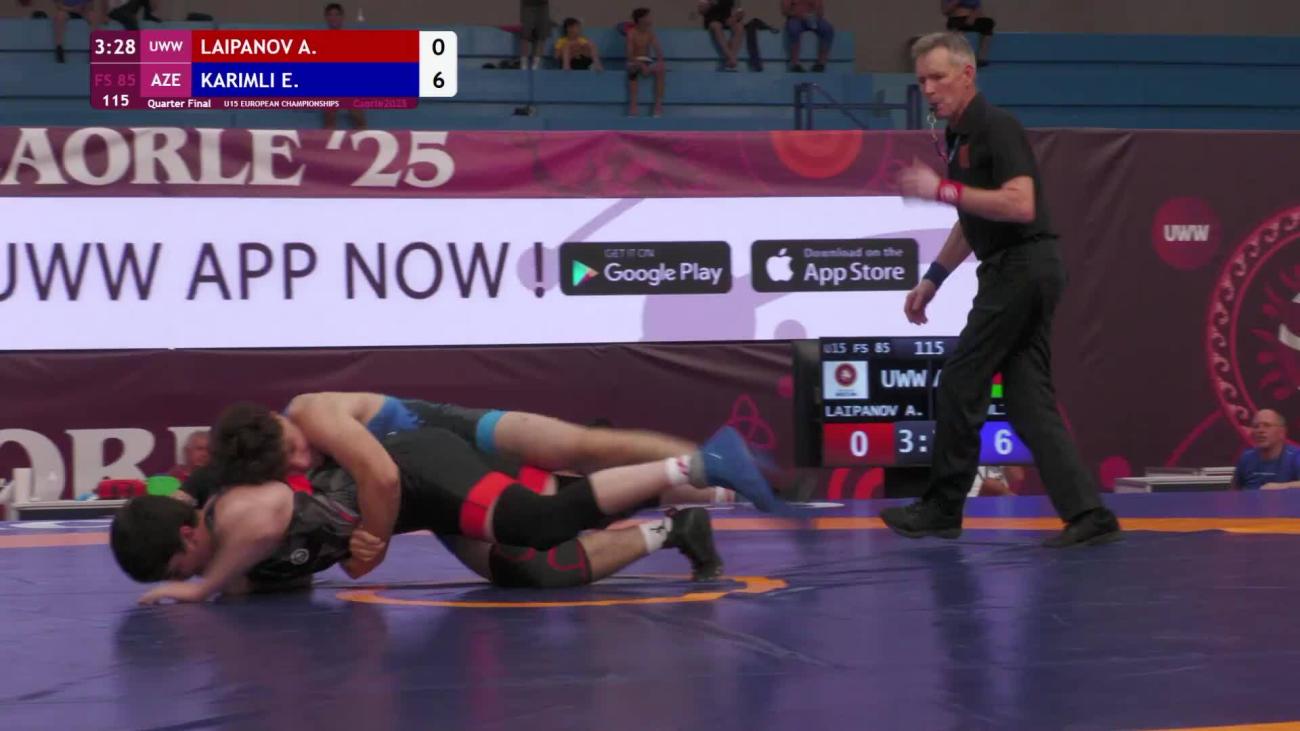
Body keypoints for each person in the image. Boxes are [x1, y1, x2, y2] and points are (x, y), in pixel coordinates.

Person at [885, 32, 1121, 548]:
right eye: (921, 80)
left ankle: (943, 508)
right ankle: (1089, 515)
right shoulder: (960, 137)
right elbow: (973, 219)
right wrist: (933, 278)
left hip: (1021, 267)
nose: (928, 89)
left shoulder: (996, 126)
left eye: (938, 77)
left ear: (967, 74)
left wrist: (940, 189)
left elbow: (1019, 204)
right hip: (1021, 268)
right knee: (1027, 400)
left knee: (960, 379)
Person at [111, 423, 735, 604]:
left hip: (412, 471)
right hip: (416, 508)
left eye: (181, 567)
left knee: (540, 521)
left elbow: (268, 523)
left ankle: (699, 474)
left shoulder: (234, 513)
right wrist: (230, 585)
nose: (190, 576)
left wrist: (205, 589)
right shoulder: (230, 552)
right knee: (532, 571)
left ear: (188, 532)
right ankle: (675, 527)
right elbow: (288, 564)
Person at [1230, 409, 1300, 490]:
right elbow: (1233, 492)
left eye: (1267, 425)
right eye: (1256, 426)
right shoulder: (1246, 458)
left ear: (1282, 432)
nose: (1260, 430)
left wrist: (1282, 487)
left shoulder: (1295, 457)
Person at [625, 8, 666, 117]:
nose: (650, 18)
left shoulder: (650, 34)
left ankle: (658, 106)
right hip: (634, 61)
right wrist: (641, 65)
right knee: (632, 70)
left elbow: (658, 52)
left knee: (661, 69)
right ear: (640, 19)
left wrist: (660, 62)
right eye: (648, 16)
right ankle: (633, 106)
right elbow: (629, 55)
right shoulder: (631, 33)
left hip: (647, 61)